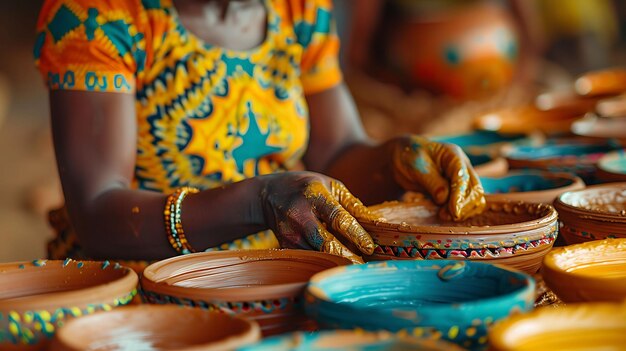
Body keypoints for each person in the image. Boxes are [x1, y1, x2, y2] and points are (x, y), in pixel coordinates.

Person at [34, 0, 485, 265]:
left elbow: (337, 153)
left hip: (273, 271)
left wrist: (397, 161)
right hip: (137, 285)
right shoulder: (99, 15)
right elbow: (97, 212)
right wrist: (258, 200)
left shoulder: (297, 9)